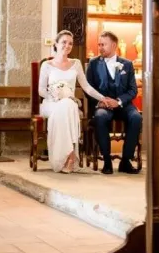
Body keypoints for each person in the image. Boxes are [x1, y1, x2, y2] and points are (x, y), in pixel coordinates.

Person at [38, 30, 116, 173]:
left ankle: (69, 157)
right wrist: (56, 96)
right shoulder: (47, 65)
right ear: (56, 44)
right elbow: (41, 90)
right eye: (64, 42)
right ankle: (69, 155)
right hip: (51, 103)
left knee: (68, 105)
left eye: (70, 43)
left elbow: (86, 87)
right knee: (67, 106)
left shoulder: (76, 64)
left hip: (69, 103)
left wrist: (102, 98)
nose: (67, 45)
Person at [86, 31, 142, 175]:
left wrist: (118, 101)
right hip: (103, 104)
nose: (100, 47)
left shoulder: (127, 64)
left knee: (136, 118)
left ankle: (126, 161)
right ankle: (107, 161)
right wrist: (101, 101)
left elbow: (132, 90)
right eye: (99, 44)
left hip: (123, 105)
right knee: (100, 117)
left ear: (114, 45)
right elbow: (88, 88)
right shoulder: (93, 64)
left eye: (103, 44)